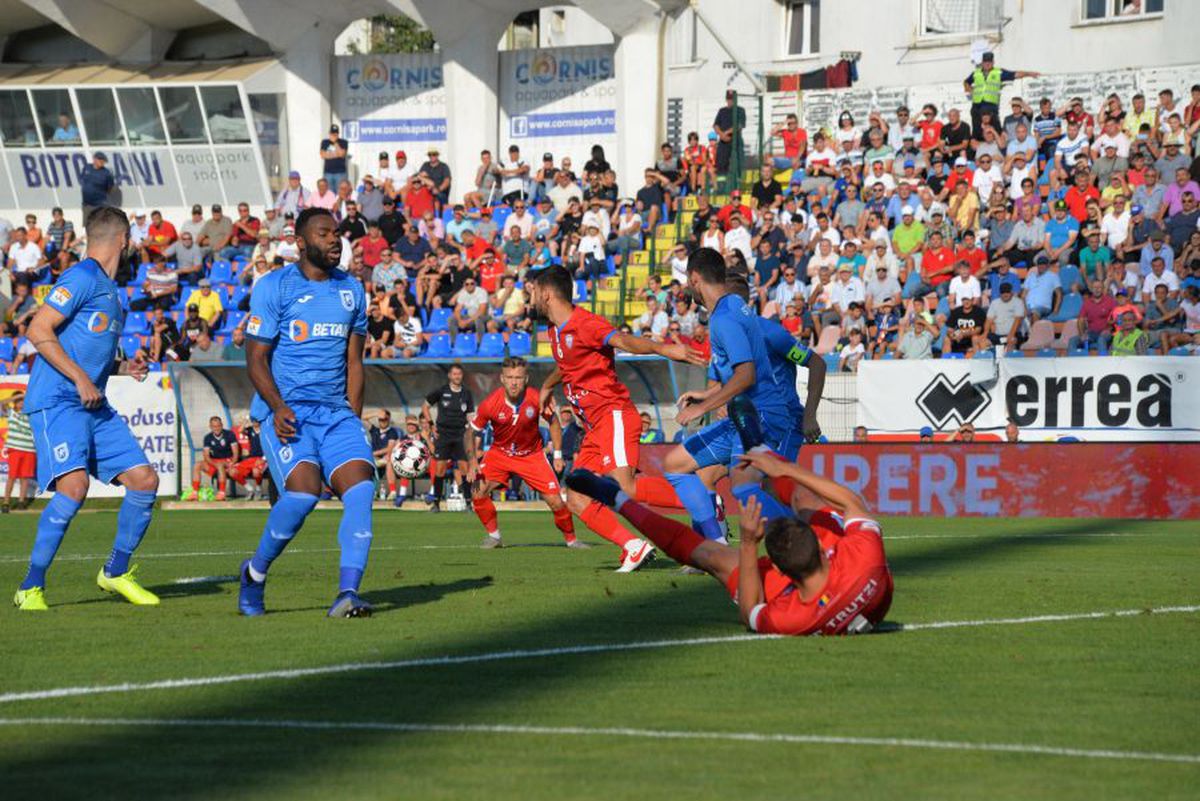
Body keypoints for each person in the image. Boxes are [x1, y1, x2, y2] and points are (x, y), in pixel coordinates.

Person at [563, 442, 893, 636]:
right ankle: (760, 448)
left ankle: (615, 497)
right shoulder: (865, 560)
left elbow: (750, 610)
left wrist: (748, 542)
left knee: (712, 558)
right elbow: (852, 503)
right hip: (848, 579)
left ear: (781, 571)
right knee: (808, 501)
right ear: (824, 550)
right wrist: (785, 471)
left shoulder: (792, 615)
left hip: (813, 590)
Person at [13, 207, 160, 612]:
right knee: (74, 488)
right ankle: (30, 586)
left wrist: (123, 366)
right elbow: (38, 329)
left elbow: (87, 351)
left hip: (93, 402)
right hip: (59, 401)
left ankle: (115, 571)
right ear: (125, 240)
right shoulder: (81, 276)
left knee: (145, 481)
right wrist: (79, 379)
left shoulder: (113, 292)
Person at [237, 207, 375, 618]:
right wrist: (277, 407)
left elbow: (355, 363)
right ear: (300, 242)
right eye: (324, 233)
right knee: (302, 495)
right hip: (287, 412)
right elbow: (256, 359)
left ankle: (347, 593)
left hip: (336, 414)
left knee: (362, 489)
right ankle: (254, 574)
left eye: (337, 233)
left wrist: (354, 415)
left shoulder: (352, 290)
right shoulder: (274, 287)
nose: (335, 239)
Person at [528, 266, 706, 571]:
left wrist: (663, 348)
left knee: (627, 487)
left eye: (531, 292)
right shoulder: (553, 330)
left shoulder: (586, 323)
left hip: (614, 414)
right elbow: (567, 363)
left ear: (545, 293)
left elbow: (623, 341)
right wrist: (547, 385)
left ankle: (706, 505)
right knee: (577, 496)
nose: (528, 298)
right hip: (595, 427)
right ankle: (633, 546)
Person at [466, 357, 583, 550]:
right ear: (502, 379)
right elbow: (470, 431)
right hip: (500, 454)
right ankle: (494, 537)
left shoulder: (537, 398)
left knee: (556, 501)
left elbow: (553, 422)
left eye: (519, 377)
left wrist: (558, 455)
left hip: (531, 455)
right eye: (510, 377)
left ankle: (572, 540)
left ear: (526, 379)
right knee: (477, 492)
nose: (514, 382)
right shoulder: (490, 404)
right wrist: (472, 461)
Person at [421, 364, 474, 513]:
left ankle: (468, 502)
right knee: (440, 469)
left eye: (459, 374)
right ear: (450, 376)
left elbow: (470, 415)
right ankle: (436, 503)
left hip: (460, 435)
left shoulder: (467, 393)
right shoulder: (441, 391)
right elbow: (425, 407)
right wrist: (431, 425)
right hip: (443, 434)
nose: (457, 377)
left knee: (464, 468)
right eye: (454, 374)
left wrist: (470, 432)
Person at [185, 416, 239, 501]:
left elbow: (236, 452)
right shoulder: (208, 437)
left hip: (227, 460)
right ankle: (195, 493)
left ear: (222, 425)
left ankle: (221, 493)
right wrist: (215, 464)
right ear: (210, 427)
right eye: (214, 426)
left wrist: (233, 462)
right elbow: (206, 456)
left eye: (218, 426)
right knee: (197, 465)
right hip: (214, 461)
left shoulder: (230, 434)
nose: (216, 428)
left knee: (220, 465)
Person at [2, 392, 35, 512]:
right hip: (15, 449)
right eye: (19, 401)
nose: (21, 403)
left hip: (30, 449)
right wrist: (16, 397)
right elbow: (2, 404)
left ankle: (21, 502)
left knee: (24, 477)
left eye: (22, 400)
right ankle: (6, 502)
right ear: (15, 402)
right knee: (12, 476)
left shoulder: (30, 414)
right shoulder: (11, 413)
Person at [80, 152, 114, 222]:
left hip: (99, 204)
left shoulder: (106, 173)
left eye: (104, 161)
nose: (102, 162)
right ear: (94, 159)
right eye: (100, 160)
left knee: (100, 224)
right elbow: (83, 180)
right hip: (86, 204)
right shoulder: (86, 167)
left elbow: (110, 188)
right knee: (88, 224)